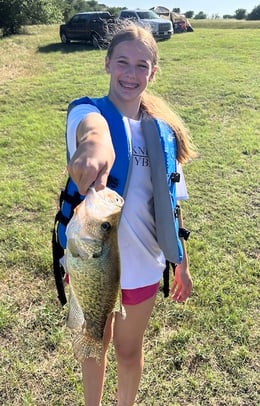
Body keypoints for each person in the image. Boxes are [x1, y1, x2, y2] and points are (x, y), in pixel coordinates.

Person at [65, 22, 196, 406]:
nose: (131, 73)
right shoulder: (88, 112)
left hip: (143, 266)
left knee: (127, 350)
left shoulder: (162, 134)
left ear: (153, 73)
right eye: (122, 62)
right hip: (92, 263)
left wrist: (183, 265)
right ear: (107, 63)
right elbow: (92, 133)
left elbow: (172, 205)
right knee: (93, 343)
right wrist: (92, 149)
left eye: (142, 66)